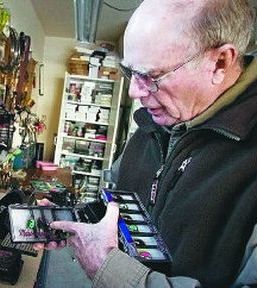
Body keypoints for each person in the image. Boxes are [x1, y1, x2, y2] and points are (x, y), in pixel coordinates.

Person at [34, 0, 257, 287]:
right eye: (130, 72)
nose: (133, 92)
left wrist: (111, 271)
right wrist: (80, 220)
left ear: (220, 62)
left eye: (151, 76)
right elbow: (116, 205)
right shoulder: (151, 128)